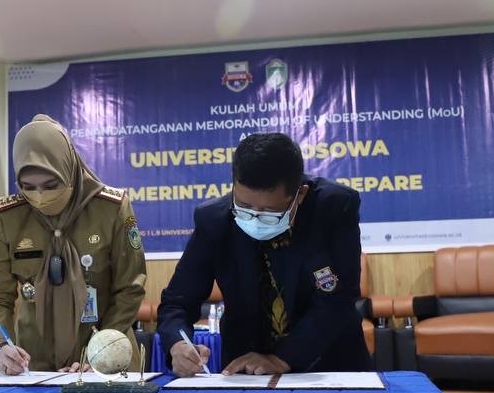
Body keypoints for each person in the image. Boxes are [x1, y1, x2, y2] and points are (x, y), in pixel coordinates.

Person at [157, 132, 369, 377]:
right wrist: (177, 343)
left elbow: (338, 298)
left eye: (269, 211)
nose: (255, 218)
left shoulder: (333, 208)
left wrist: (283, 358)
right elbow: (177, 301)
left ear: (299, 195)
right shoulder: (214, 221)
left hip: (328, 365)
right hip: (247, 369)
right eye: (244, 207)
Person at [0, 114, 147, 373]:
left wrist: (101, 353)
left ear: (69, 169)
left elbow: (130, 288)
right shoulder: (9, 218)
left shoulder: (110, 209)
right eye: (28, 187)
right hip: (34, 367)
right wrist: (2, 346)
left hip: (107, 360)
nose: (40, 196)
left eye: (51, 184)